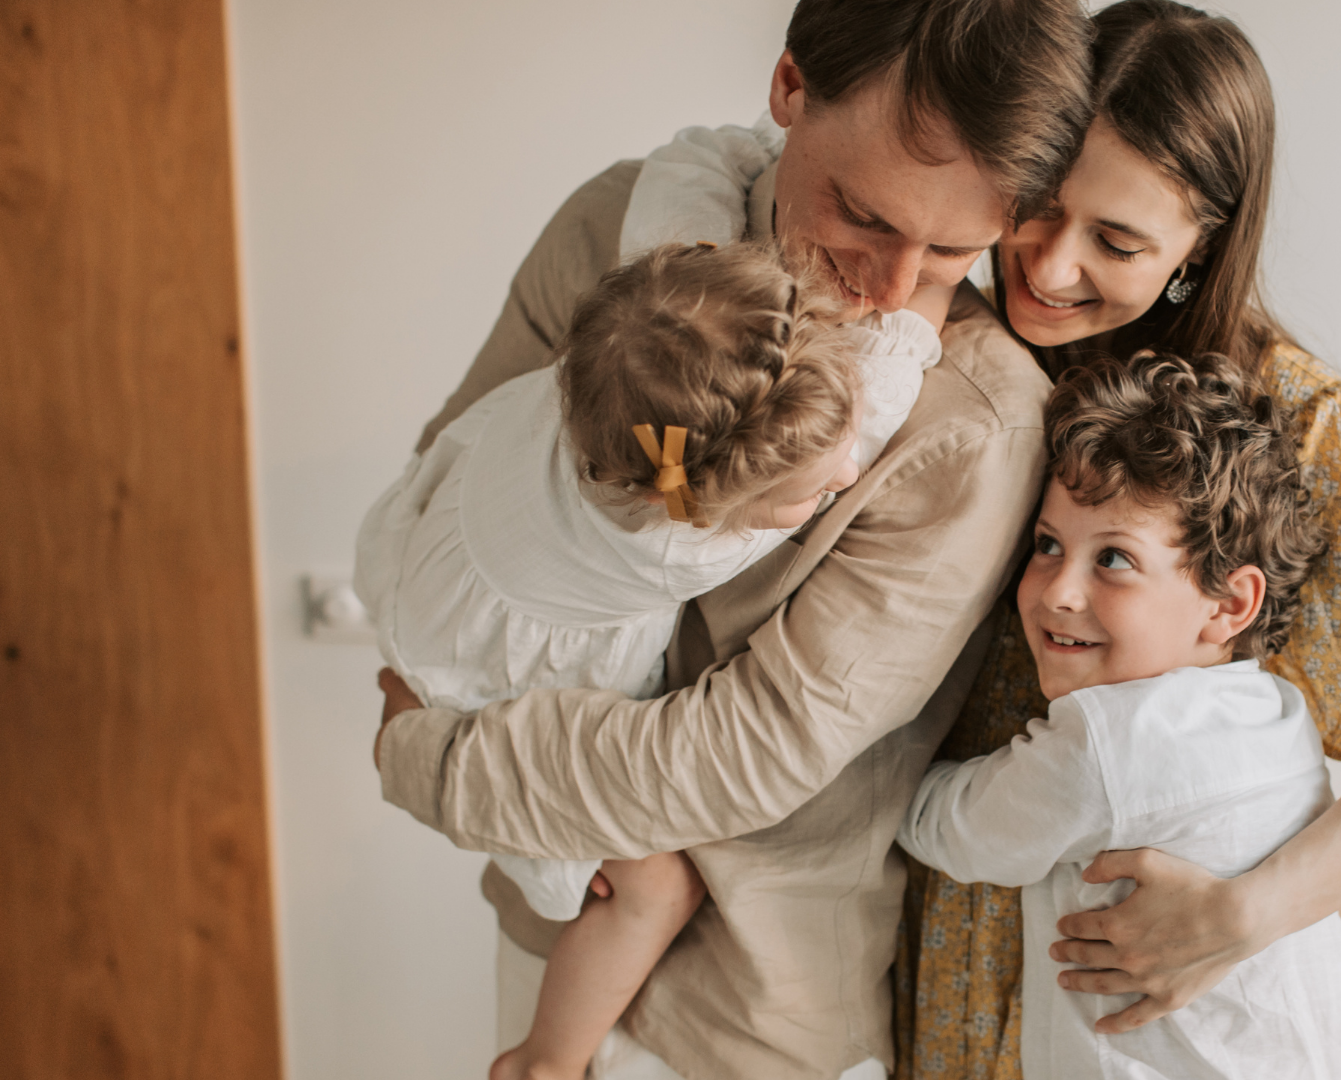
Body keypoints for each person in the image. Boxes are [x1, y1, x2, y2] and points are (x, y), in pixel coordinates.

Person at [371, 0, 1093, 1077]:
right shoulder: (611, 227)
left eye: (953, 251)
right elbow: (462, 479)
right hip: (546, 923)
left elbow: (754, 748)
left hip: (749, 1017)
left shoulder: (975, 426)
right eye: (864, 216)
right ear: (790, 87)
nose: (891, 290)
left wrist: (432, 758)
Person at [897, 2, 1341, 1074]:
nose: (1050, 267)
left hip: (1137, 990)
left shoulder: (1307, 428)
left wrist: (1238, 918)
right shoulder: (944, 353)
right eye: (1038, 206)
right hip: (942, 955)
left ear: (1199, 246)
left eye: (1116, 241)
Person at [355, 239, 950, 1080]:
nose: (849, 470)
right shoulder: (675, 541)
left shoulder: (621, 358)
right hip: (487, 676)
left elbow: (685, 181)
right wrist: (940, 286)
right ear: (704, 504)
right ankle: (544, 1061)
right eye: (815, 492)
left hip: (431, 582)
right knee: (655, 887)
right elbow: (886, 395)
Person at [898, 352, 1341, 1079]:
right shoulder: (1276, 712)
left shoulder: (1112, 742)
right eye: (1048, 545)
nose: (1058, 591)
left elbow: (953, 830)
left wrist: (880, 763)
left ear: (1229, 604)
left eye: (1113, 559)